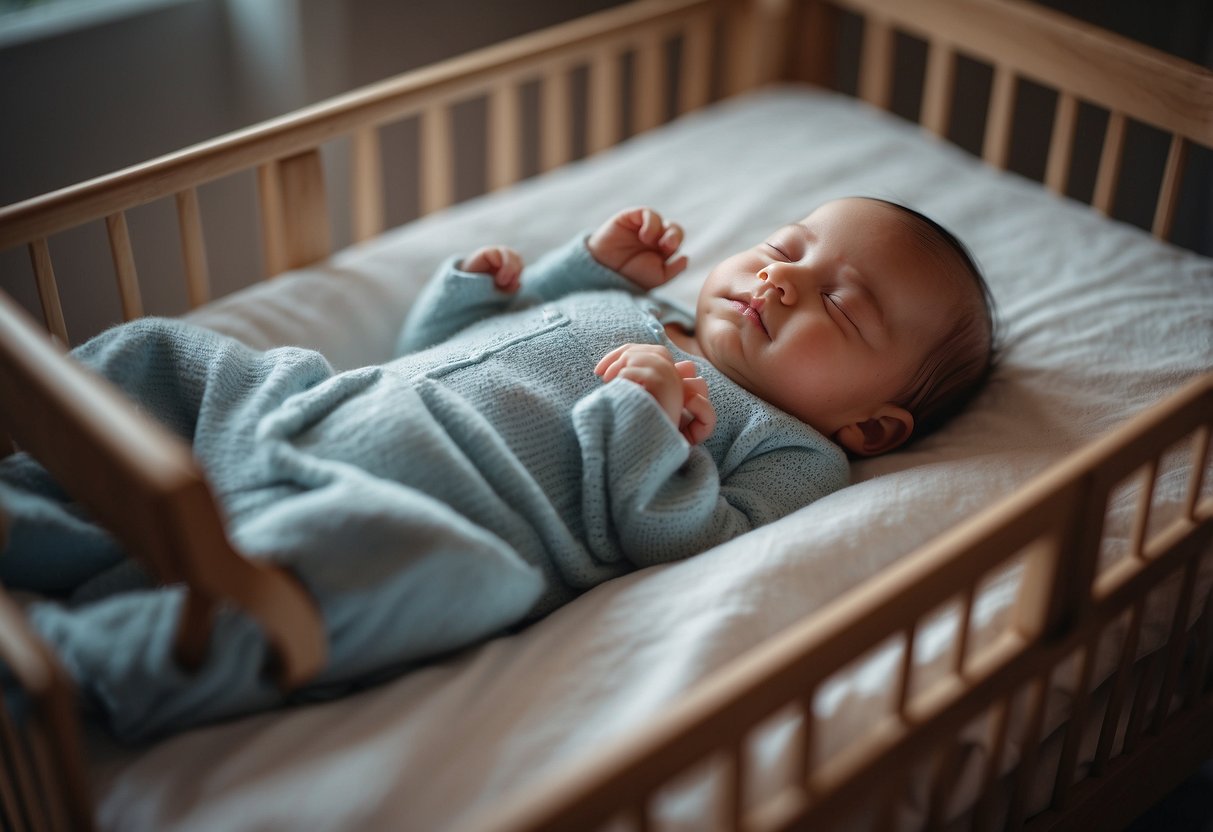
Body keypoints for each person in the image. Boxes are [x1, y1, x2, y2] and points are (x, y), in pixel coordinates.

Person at [0, 198, 994, 742]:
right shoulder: (653, 313)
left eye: (843, 305)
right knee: (165, 355)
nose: (783, 276)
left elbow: (687, 540)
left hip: (399, 507)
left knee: (453, 579)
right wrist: (529, 280)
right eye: (786, 246)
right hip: (310, 412)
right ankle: (30, 509)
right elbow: (425, 345)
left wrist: (644, 417)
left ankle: (85, 655)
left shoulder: (796, 453)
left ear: (872, 428)